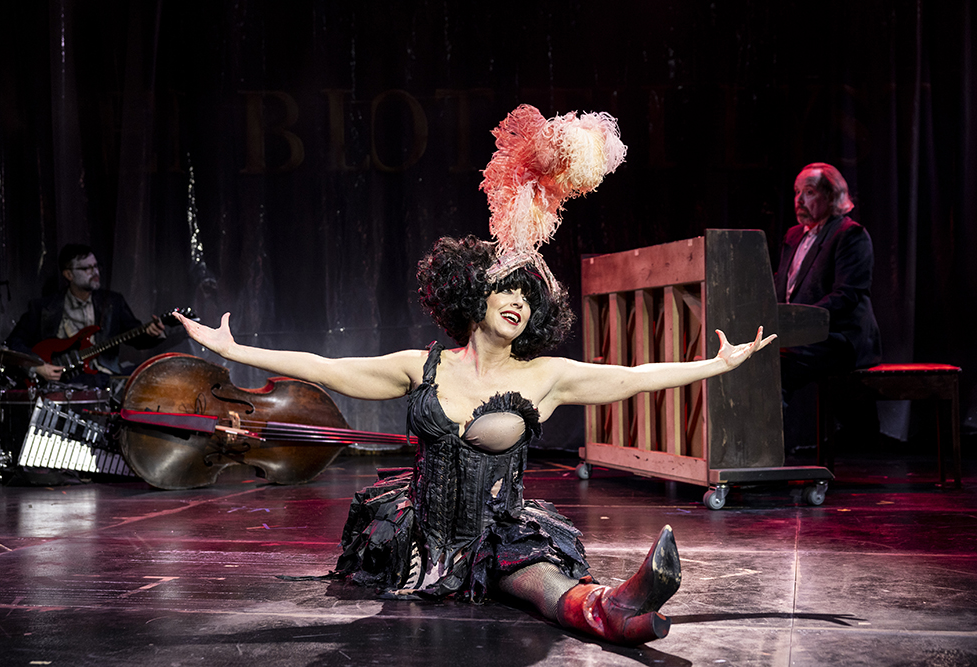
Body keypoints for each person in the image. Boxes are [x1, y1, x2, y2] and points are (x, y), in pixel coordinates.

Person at [175, 105, 776, 646]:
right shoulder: (423, 366)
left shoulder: (547, 376)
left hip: (497, 536)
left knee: (540, 583)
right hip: (418, 537)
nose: (517, 302)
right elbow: (326, 370)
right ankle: (611, 611)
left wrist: (716, 364)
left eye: (528, 297)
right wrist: (237, 349)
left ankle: (614, 608)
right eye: (505, 290)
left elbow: (636, 377)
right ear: (472, 298)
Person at [773, 163, 882, 406]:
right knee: (756, 356)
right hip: (803, 336)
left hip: (839, 339)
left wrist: (798, 321)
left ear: (831, 196)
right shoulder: (794, 235)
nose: (799, 200)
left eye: (809, 192)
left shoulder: (850, 234)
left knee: (775, 365)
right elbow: (781, 286)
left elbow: (845, 296)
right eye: (797, 192)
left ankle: (770, 432)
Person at [5, 244, 166, 388]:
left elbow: (135, 336)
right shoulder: (44, 307)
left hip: (104, 377)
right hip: (62, 382)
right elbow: (14, 342)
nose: (95, 272)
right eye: (87, 268)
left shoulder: (112, 302)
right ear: (69, 275)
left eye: (96, 266)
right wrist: (38, 366)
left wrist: (153, 333)